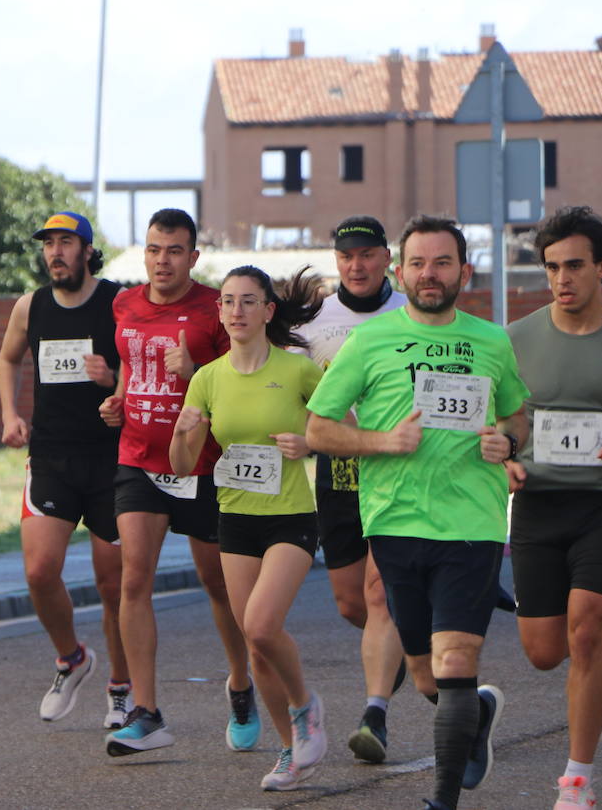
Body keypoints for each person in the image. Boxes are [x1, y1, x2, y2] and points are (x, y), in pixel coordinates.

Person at [306, 215, 529, 810]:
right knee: (429, 676)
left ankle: (441, 802)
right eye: (420, 264)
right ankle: (476, 710)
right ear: (400, 272)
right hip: (394, 521)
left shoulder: (492, 340)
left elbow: (517, 416)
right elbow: (318, 429)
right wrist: (383, 443)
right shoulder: (370, 342)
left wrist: (508, 442)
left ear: (465, 271)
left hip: (473, 523)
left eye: (443, 263)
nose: (430, 275)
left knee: (457, 658)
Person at [99, 209, 253, 756]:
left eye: (174, 251)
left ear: (193, 256)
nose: (162, 261)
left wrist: (194, 375)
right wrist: (117, 398)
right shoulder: (125, 304)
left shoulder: (215, 309)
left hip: (204, 466)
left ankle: (240, 681)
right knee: (132, 579)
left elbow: (239, 382)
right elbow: (129, 368)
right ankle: (146, 710)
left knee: (218, 585)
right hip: (139, 459)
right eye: (153, 250)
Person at [169, 265, 328, 791]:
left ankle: (307, 707)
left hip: (290, 517)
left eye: (247, 301)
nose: (236, 311)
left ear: (267, 311)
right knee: (255, 645)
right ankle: (291, 750)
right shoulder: (207, 377)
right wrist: (185, 431)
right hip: (235, 519)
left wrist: (309, 442)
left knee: (261, 625)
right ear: (220, 311)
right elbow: (183, 458)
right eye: (228, 302)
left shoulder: (299, 371)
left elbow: (342, 429)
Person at [0, 211, 130, 727]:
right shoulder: (31, 306)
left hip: (112, 460)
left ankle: (121, 687)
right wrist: (10, 414)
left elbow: (139, 364)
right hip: (51, 456)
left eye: (66, 242)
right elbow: (8, 359)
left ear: (87, 250)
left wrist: (113, 378)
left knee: (112, 584)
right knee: (38, 570)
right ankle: (72, 657)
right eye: (49, 243)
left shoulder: (117, 302)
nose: (55, 251)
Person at [294, 216, 408, 763]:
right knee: (349, 604)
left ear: (387, 258)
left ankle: (375, 713)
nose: (356, 265)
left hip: (397, 470)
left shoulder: (410, 313)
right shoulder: (313, 318)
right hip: (337, 472)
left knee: (378, 593)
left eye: (367, 254)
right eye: (346, 256)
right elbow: (290, 389)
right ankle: (393, 644)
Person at [504, 206, 602, 810]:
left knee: (588, 624)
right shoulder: (515, 341)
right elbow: (500, 424)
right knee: (545, 651)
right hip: (540, 504)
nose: (561, 279)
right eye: (550, 268)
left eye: (573, 266)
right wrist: (506, 455)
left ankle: (576, 778)